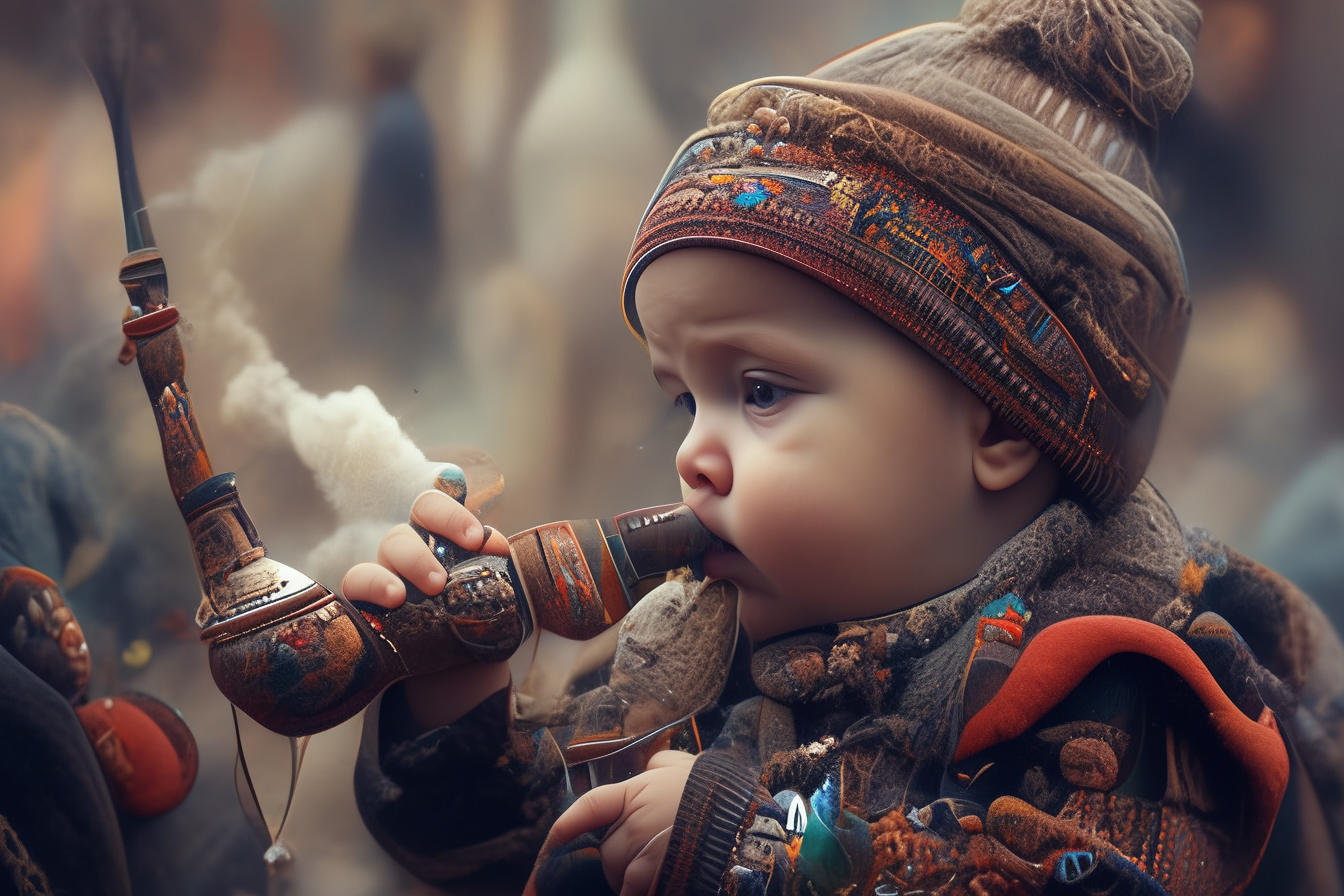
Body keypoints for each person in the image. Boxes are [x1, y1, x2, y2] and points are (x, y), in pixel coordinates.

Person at [342, 0, 1344, 892]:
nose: (694, 454)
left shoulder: (1124, 670)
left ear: (998, 423)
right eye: (684, 401)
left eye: (762, 392)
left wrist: (744, 841)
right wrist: (453, 701)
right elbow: (520, 846)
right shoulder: (707, 649)